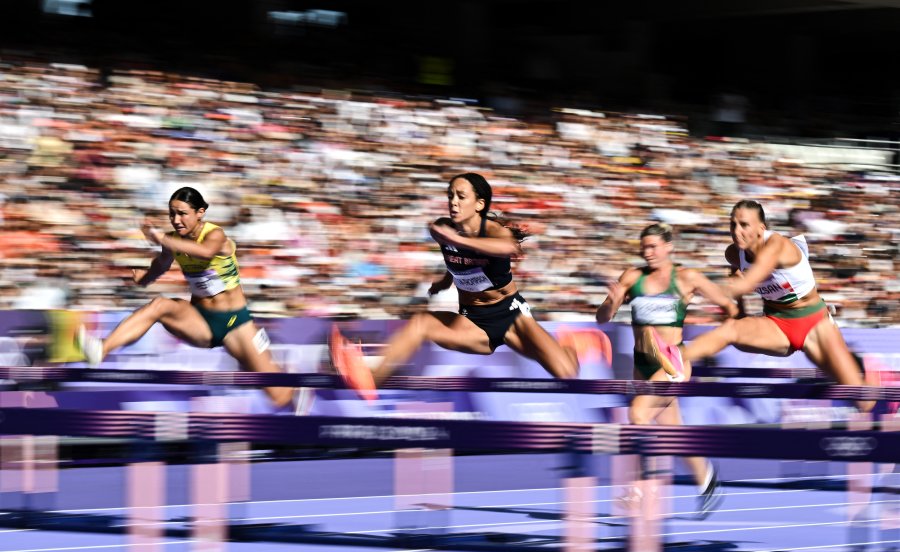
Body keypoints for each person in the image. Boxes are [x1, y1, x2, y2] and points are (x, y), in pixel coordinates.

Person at [329, 172, 580, 401]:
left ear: (480, 204)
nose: (453, 202)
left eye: (461, 196)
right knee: (420, 322)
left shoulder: (494, 233)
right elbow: (459, 261)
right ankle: (371, 382)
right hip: (473, 320)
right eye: (450, 196)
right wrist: (444, 280)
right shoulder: (443, 230)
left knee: (566, 373)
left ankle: (573, 345)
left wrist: (460, 239)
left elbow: (508, 249)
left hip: (511, 315)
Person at [75, 187, 300, 411]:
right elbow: (162, 264)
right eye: (172, 214)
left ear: (200, 212)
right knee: (159, 305)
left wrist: (161, 237)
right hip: (201, 321)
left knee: (277, 394)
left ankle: (301, 407)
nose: (176, 220)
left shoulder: (216, 235)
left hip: (235, 324)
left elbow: (204, 253)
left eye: (182, 213)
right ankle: (102, 349)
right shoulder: (174, 241)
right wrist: (145, 278)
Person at [653, 199, 874, 413]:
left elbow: (749, 282)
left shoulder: (777, 245)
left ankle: (870, 366)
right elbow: (739, 290)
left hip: (815, 325)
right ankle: (675, 358)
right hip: (777, 324)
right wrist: (739, 311)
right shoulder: (733, 254)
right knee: (731, 330)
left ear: (761, 228)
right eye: (733, 224)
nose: (736, 231)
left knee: (862, 402)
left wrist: (703, 286)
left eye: (744, 225)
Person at [596, 222, 738, 518]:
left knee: (638, 414)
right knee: (674, 431)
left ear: (669, 246)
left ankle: (641, 488)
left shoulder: (687, 277)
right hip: (642, 364)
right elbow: (602, 318)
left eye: (653, 246)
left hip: (672, 361)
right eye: (643, 247)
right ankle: (707, 478)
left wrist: (714, 343)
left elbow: (731, 307)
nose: (647, 252)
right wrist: (610, 302)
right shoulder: (632, 276)